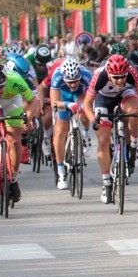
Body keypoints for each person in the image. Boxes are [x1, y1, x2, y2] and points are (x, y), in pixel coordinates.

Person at [83, 54, 138, 204]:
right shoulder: (99, 75)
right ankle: (106, 183)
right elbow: (87, 104)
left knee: (134, 111)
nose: (120, 80)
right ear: (109, 74)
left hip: (125, 95)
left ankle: (133, 145)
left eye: (122, 77)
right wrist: (93, 120)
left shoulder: (132, 72)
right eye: (115, 77)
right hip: (103, 99)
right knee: (103, 140)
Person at [0, 56, 39, 204]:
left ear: (7, 81)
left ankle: (13, 177)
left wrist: (28, 118)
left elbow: (33, 101)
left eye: (1, 86)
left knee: (14, 140)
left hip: (12, 101)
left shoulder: (16, 81)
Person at [48, 57, 93, 190]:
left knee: (85, 111)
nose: (73, 85)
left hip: (80, 95)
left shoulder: (86, 75)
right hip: (64, 98)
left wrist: (84, 106)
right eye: (70, 82)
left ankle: (85, 134)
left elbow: (91, 99)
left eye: (75, 81)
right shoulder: (57, 76)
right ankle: (61, 171)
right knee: (61, 129)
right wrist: (67, 104)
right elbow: (54, 103)